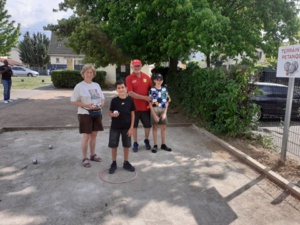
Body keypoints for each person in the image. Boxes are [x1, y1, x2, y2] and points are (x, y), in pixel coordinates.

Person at [70, 64, 105, 168]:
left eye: (91, 72)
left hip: (97, 113)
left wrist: (101, 105)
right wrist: (86, 105)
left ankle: (93, 155)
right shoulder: (79, 86)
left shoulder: (96, 85)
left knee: (94, 135)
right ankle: (85, 158)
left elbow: (102, 98)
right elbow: (72, 101)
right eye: (87, 72)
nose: (89, 74)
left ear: (93, 74)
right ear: (83, 74)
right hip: (85, 113)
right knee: (86, 136)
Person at [108, 80, 136, 174]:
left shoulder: (130, 100)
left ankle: (126, 162)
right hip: (115, 127)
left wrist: (131, 127)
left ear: (126, 88)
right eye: (119, 88)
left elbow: (133, 115)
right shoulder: (114, 100)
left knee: (126, 145)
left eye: (122, 87)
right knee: (114, 145)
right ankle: (114, 163)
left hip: (127, 127)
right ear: (116, 90)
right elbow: (110, 112)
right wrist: (112, 115)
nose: (121, 89)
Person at [125, 59, 153, 152]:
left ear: (141, 66)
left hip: (146, 108)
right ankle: (135, 142)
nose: (137, 68)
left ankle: (146, 140)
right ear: (132, 67)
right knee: (134, 126)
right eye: (135, 66)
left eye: (138, 66)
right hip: (134, 108)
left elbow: (152, 90)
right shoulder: (129, 78)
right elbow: (131, 93)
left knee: (148, 125)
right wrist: (145, 98)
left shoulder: (147, 77)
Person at [149, 74, 172, 153]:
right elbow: (149, 102)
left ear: (162, 81)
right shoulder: (152, 90)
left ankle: (163, 144)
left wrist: (165, 113)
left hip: (163, 109)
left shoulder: (165, 89)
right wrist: (154, 114)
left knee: (163, 127)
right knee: (155, 127)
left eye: (160, 80)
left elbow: (167, 101)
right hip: (155, 109)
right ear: (154, 80)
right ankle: (155, 145)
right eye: (157, 80)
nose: (159, 81)